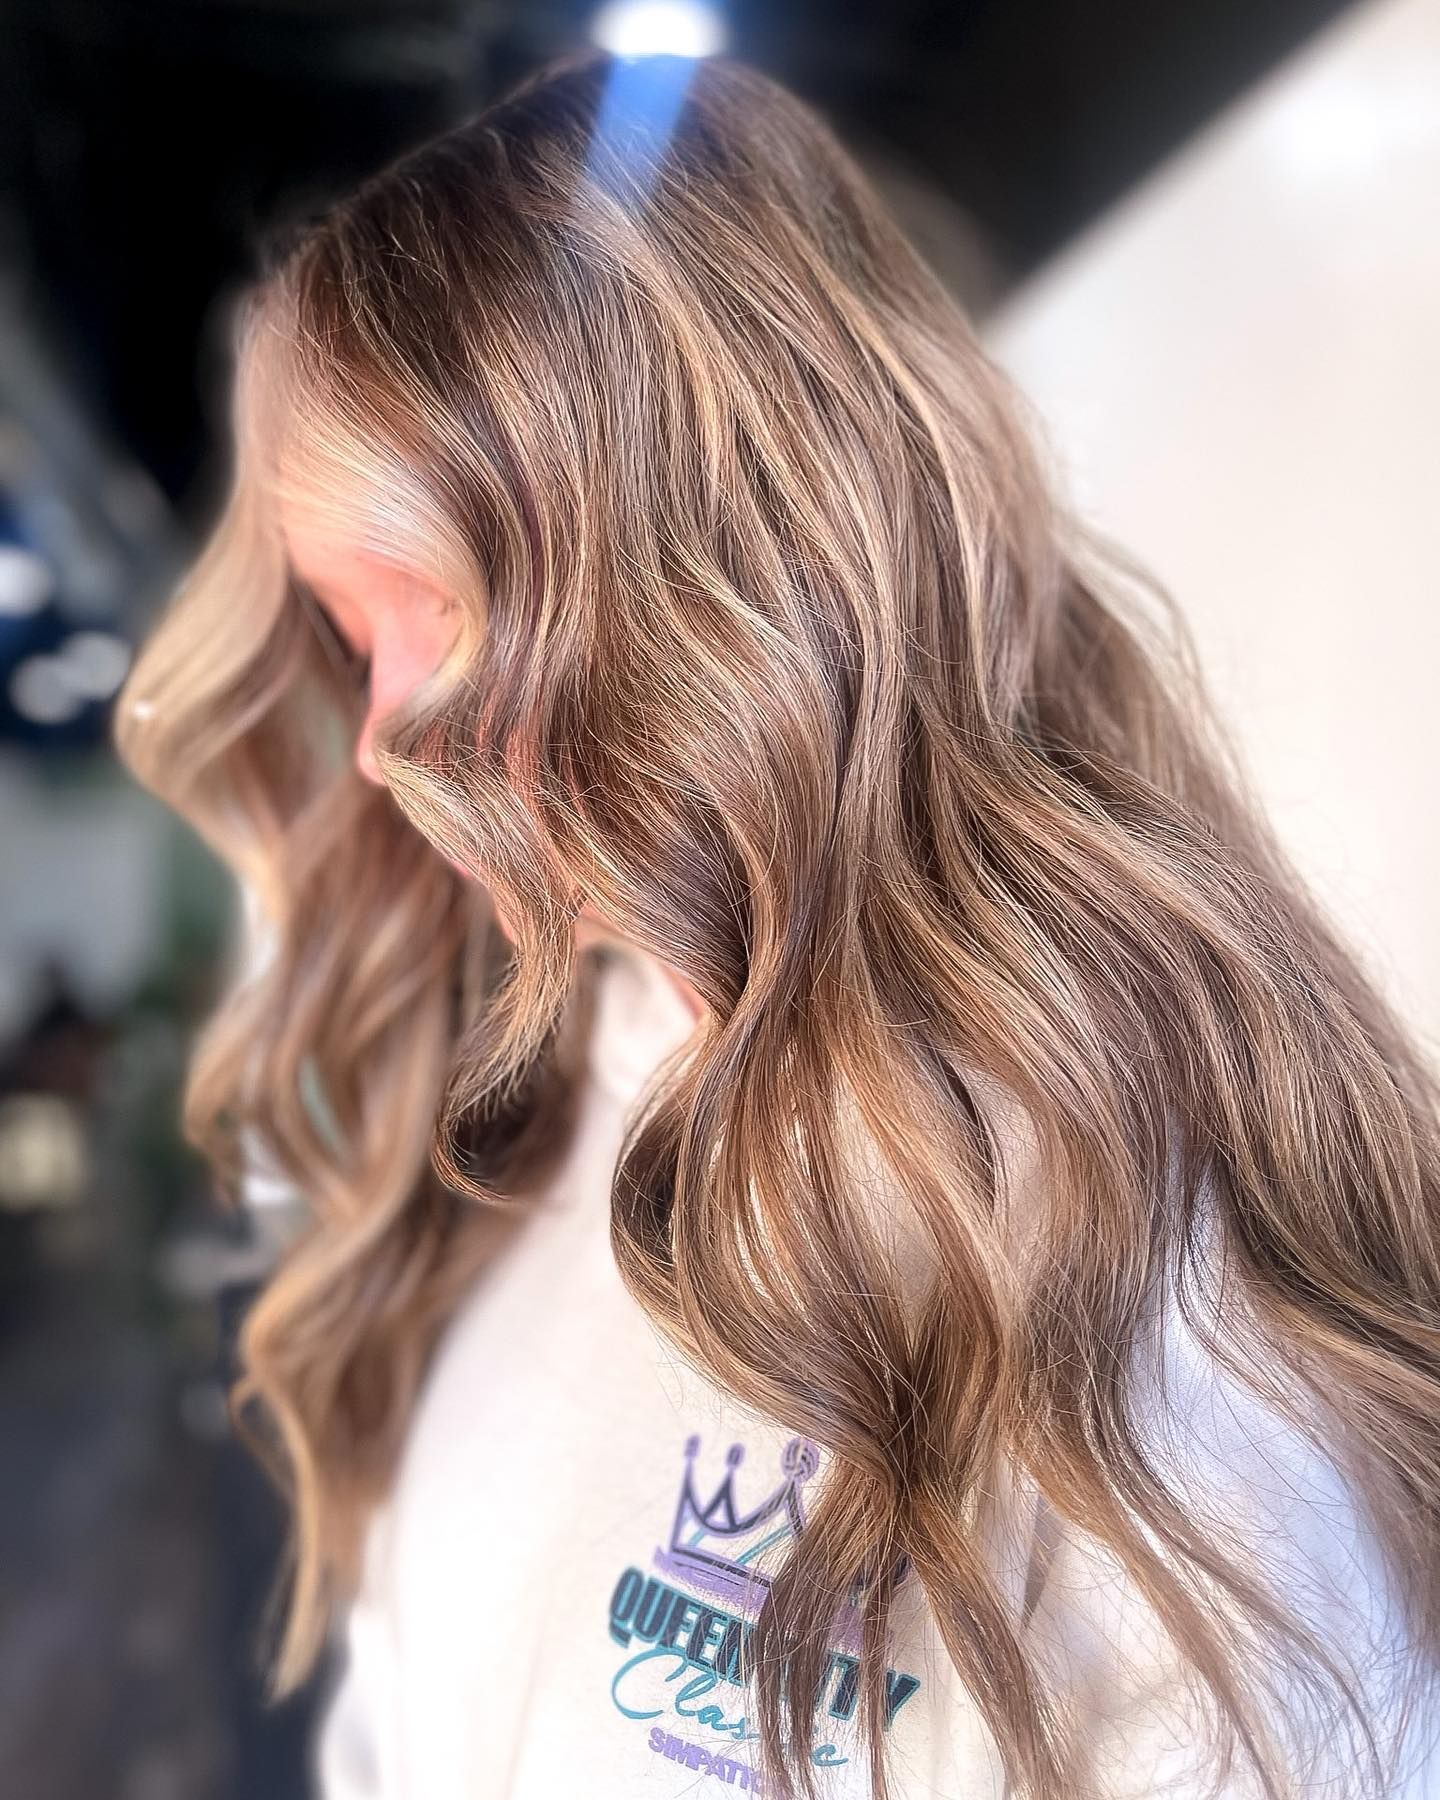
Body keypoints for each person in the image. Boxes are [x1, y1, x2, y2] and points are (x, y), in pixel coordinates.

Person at [115, 47, 1440, 1800]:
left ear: (714, 570)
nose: (377, 739)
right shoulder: (536, 1112)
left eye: (424, 605)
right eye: (350, 635)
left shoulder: (1173, 1378)